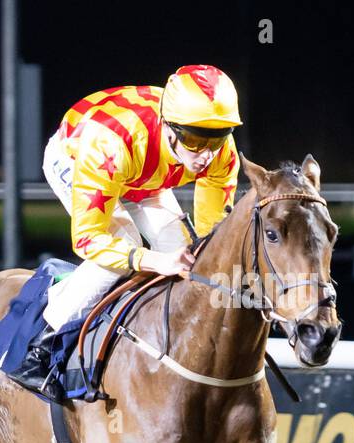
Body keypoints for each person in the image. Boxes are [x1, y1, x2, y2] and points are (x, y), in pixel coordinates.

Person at [13, 64, 242, 394]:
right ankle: (40, 345)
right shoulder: (110, 144)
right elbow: (89, 240)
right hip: (81, 157)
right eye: (193, 141)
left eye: (216, 140)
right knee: (124, 250)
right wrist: (154, 261)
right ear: (169, 127)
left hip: (145, 173)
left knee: (186, 253)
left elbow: (210, 237)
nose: (206, 155)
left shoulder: (223, 154)